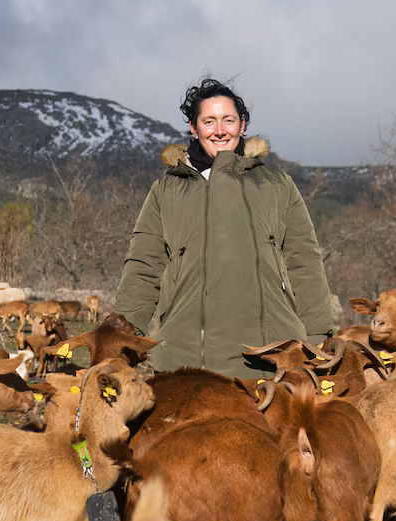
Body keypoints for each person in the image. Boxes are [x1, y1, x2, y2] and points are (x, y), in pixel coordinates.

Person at [114, 77, 334, 378]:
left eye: (228, 120)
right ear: (193, 128)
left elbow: (304, 262)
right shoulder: (166, 191)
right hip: (186, 361)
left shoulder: (277, 186)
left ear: (242, 125)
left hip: (272, 360)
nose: (220, 130)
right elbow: (143, 267)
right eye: (209, 121)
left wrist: (318, 338)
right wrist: (122, 338)